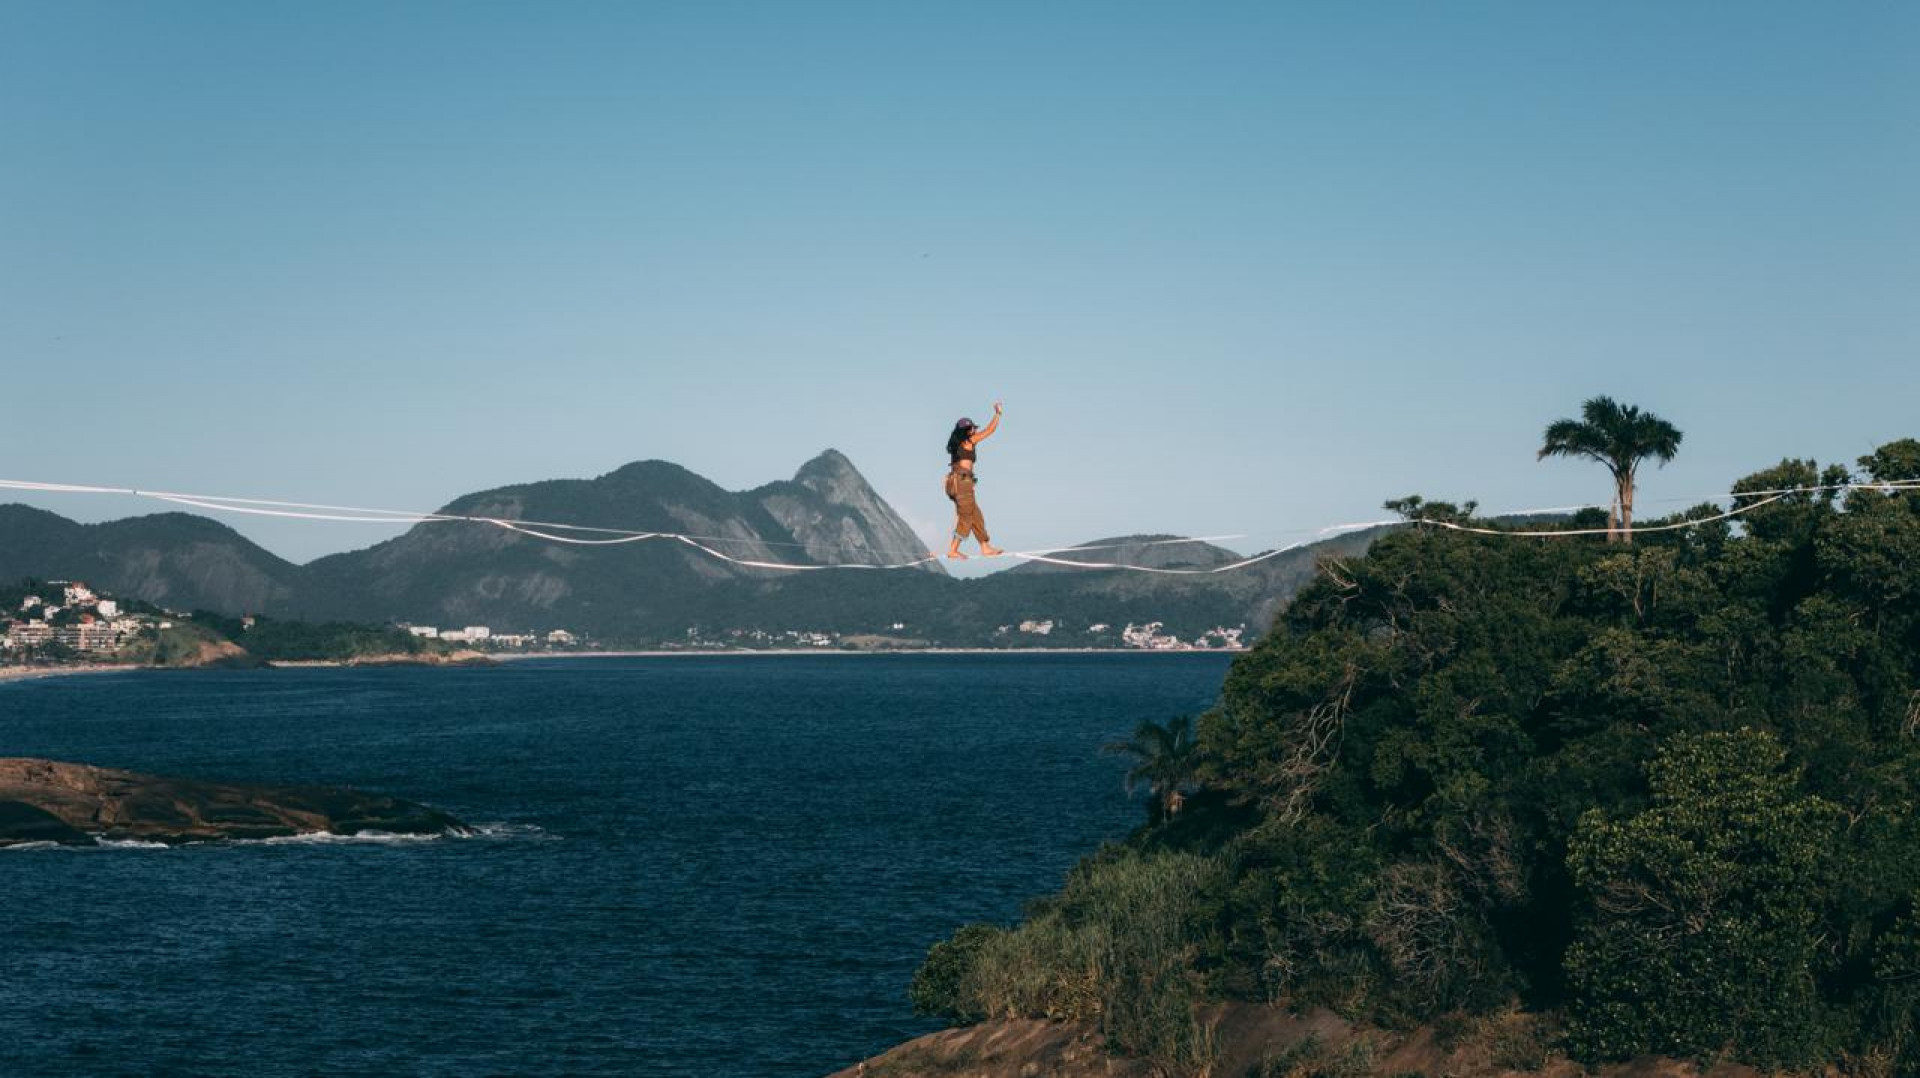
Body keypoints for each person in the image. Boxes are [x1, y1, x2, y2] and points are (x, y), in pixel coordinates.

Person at [945, 402, 1004, 559]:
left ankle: (985, 547)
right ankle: (953, 550)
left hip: (956, 483)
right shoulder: (969, 441)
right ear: (967, 431)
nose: (975, 430)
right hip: (962, 483)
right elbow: (990, 430)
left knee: (976, 515)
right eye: (972, 428)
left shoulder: (956, 445)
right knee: (966, 517)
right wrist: (998, 414)